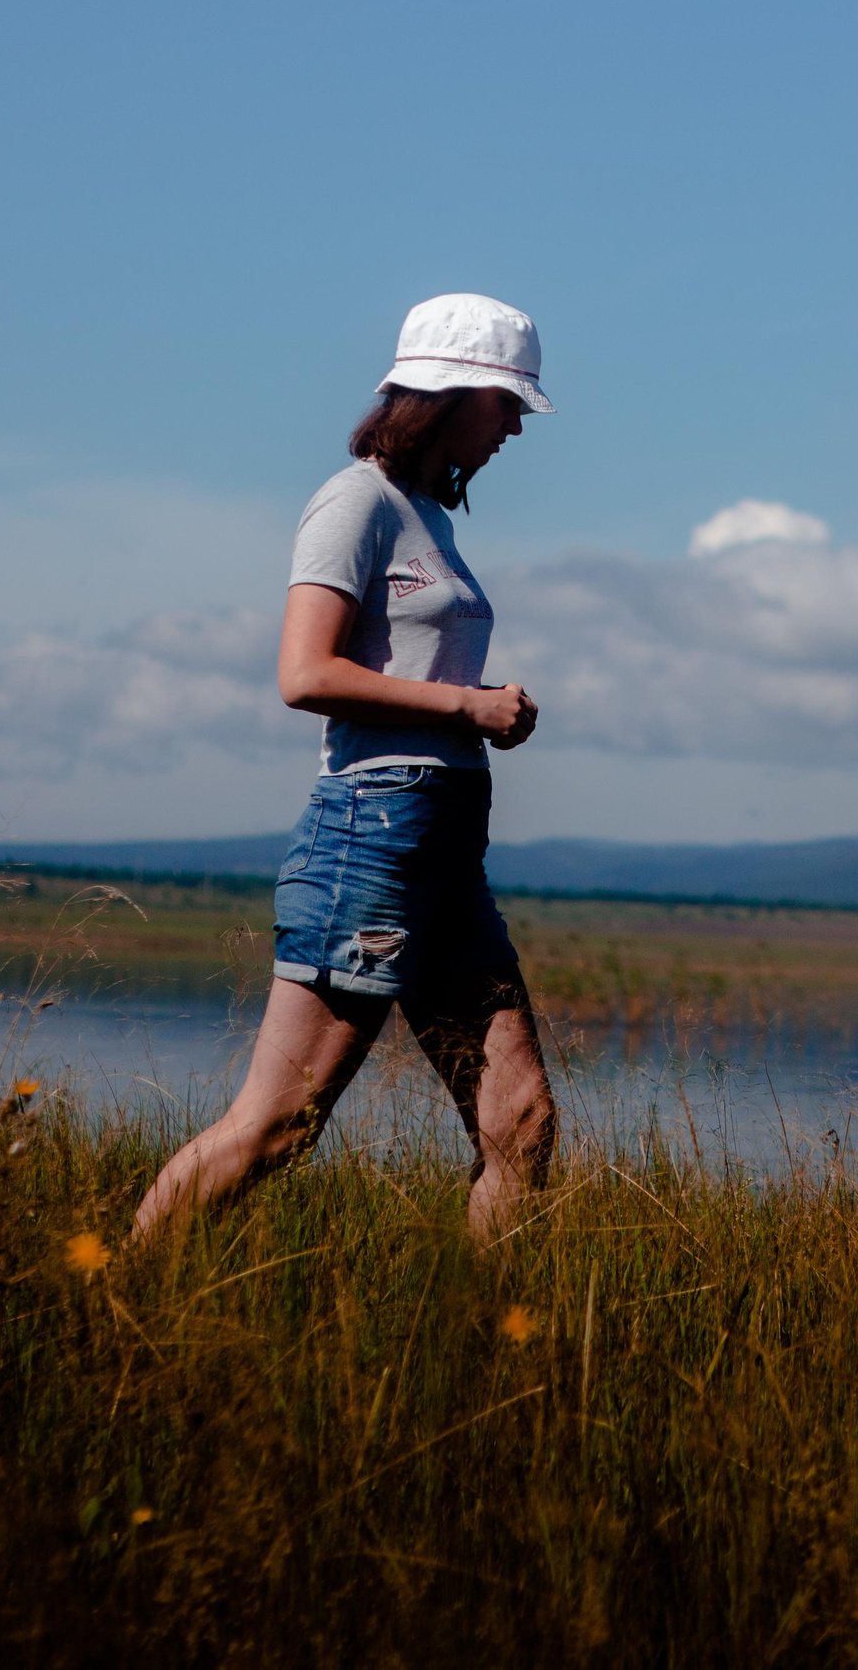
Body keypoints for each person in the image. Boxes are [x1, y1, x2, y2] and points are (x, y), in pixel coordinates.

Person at [134, 294, 559, 1244]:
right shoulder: (353, 501)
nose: (517, 429)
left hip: (446, 851)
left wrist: (484, 706)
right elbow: (305, 674)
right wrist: (466, 705)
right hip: (372, 834)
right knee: (280, 1126)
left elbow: (400, 666)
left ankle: (488, 1340)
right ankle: (118, 1291)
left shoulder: (428, 518)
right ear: (451, 395)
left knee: (522, 1128)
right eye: (508, 406)